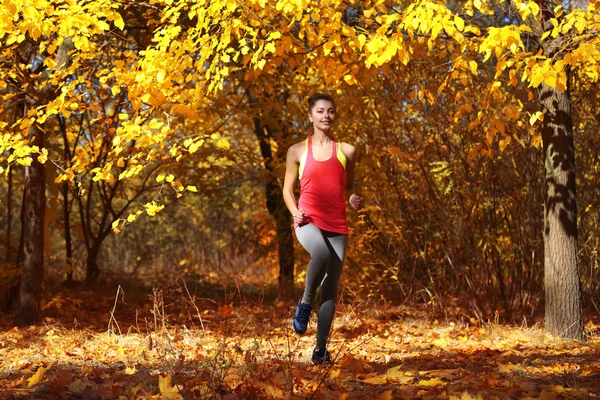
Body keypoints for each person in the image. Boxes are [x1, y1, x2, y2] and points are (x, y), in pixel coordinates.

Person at [282, 93, 364, 365]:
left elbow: (349, 188)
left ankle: (320, 351)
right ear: (310, 116)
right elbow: (287, 189)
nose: (326, 115)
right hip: (307, 220)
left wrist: (352, 199)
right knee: (321, 255)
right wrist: (295, 212)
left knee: (330, 289)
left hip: (337, 223)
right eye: (320, 111)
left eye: (330, 111)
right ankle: (305, 303)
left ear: (334, 115)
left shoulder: (348, 151)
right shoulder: (297, 151)